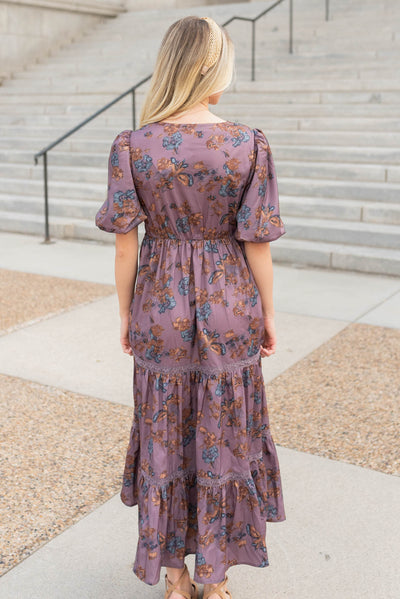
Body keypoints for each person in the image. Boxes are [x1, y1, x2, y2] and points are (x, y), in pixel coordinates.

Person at [95, 15, 287, 599]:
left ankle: (175, 575)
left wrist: (127, 314)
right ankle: (216, 575)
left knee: (163, 432)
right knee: (225, 430)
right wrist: (269, 314)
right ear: (215, 68)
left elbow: (125, 245)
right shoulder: (247, 143)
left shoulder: (134, 144)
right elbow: (257, 242)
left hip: (160, 301)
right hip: (231, 302)